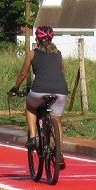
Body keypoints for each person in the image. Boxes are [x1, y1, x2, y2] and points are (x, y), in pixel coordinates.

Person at [12, 25, 68, 168]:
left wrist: (16, 87)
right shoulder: (59, 53)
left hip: (39, 90)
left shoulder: (32, 53)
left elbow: (23, 74)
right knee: (57, 121)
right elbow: (62, 71)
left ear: (37, 39)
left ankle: (32, 137)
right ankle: (59, 153)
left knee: (31, 108)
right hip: (60, 90)